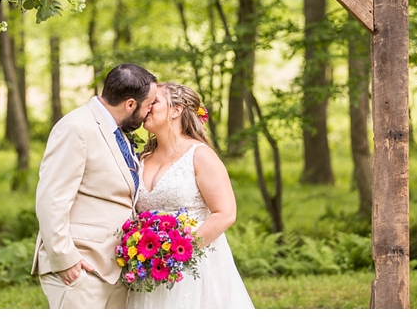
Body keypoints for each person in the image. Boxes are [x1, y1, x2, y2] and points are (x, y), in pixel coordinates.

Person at [32, 63, 159, 308]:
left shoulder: (118, 132)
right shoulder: (76, 127)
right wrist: (65, 259)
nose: (150, 110)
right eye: (149, 104)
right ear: (130, 104)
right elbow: (52, 199)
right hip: (81, 266)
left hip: (113, 267)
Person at [127, 82, 253, 309]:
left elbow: (225, 213)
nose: (145, 108)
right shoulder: (142, 158)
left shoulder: (200, 155)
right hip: (149, 267)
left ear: (176, 110)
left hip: (195, 267)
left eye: (154, 102)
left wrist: (180, 253)